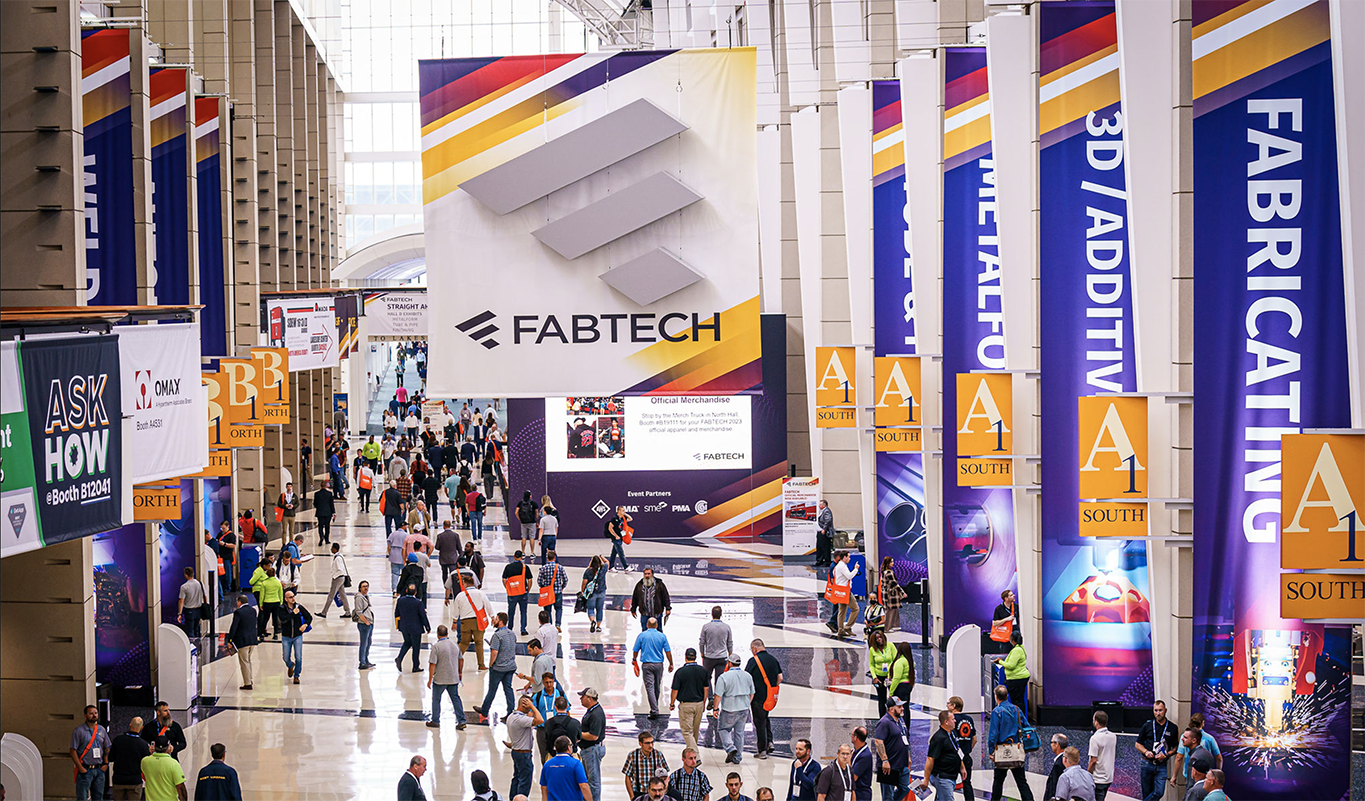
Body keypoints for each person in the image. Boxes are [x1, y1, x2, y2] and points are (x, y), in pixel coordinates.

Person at [986, 685, 1033, 801]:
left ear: (996, 697)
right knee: (1022, 782)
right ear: (1007, 696)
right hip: (1016, 751)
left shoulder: (997, 712)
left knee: (998, 782)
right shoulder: (1017, 709)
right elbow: (1027, 727)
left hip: (1002, 751)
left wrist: (991, 751)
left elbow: (993, 734)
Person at [712, 653, 755, 764]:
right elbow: (752, 693)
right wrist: (746, 704)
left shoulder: (724, 677)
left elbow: (718, 695)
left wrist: (715, 708)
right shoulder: (747, 676)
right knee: (739, 733)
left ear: (729, 663)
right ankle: (737, 758)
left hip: (729, 709)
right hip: (744, 709)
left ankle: (730, 748)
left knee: (723, 729)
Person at [476, 612, 519, 720]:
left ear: (500, 622)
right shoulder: (512, 633)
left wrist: (491, 665)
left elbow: (494, 653)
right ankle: (510, 712)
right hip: (510, 666)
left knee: (492, 690)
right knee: (508, 689)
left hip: (498, 668)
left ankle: (485, 711)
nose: (493, 621)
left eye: (495, 619)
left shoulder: (497, 635)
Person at [426, 624, 468, 730]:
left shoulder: (436, 646)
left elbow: (432, 664)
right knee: (455, 698)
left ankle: (435, 720)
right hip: (453, 678)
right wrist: (460, 673)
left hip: (440, 679)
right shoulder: (454, 645)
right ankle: (461, 720)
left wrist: (430, 679)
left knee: (436, 699)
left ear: (437, 634)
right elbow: (461, 659)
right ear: (447, 633)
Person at [917, 711, 966, 801]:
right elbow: (930, 759)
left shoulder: (952, 733)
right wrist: (926, 779)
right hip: (942, 777)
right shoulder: (938, 738)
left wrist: (962, 767)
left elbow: (957, 750)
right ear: (946, 722)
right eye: (953, 719)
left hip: (951, 776)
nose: (955, 721)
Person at [744, 639, 782, 758]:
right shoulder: (773, 660)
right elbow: (780, 678)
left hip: (757, 696)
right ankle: (769, 742)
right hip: (770, 696)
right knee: (765, 717)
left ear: (755, 648)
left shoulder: (753, 661)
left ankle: (762, 751)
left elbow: (746, 678)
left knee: (759, 722)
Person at [447, 567, 490, 670]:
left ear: (465, 584)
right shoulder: (480, 593)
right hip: (478, 622)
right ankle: (481, 665)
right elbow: (487, 605)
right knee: (479, 642)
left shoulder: (460, 596)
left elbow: (456, 611)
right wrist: (492, 616)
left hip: (465, 622)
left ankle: (454, 661)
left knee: (464, 643)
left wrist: (454, 621)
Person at [632, 617, 674, 719]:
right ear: (656, 625)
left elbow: (636, 649)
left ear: (647, 625)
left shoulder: (642, 636)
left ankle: (654, 710)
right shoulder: (662, 636)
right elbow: (667, 651)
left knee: (649, 687)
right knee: (657, 686)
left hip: (647, 665)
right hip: (659, 664)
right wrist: (671, 663)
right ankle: (654, 707)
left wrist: (634, 659)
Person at [1136, 700, 1178, 801]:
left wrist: (1166, 755)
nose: (1158, 713)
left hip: (1162, 765)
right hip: (1147, 763)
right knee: (1147, 793)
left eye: (1160, 710)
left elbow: (1176, 748)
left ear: (1165, 710)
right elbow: (1137, 744)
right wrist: (1146, 752)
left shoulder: (1173, 728)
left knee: (1159, 792)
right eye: (1155, 710)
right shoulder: (1147, 725)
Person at [670, 648, 711, 752]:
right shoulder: (703, 671)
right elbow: (706, 689)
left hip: (686, 705)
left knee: (687, 731)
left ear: (685, 657)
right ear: (695, 657)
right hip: (699, 704)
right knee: (695, 731)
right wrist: (704, 703)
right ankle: (692, 754)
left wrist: (672, 703)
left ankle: (695, 756)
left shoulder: (680, 672)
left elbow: (675, 690)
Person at [71, 704, 112, 801]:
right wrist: (80, 767)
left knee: (98, 797)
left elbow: (107, 747)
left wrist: (106, 763)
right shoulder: (79, 731)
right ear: (85, 715)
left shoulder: (101, 730)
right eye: (91, 713)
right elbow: (73, 751)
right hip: (85, 769)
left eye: (96, 713)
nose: (94, 715)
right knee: (82, 797)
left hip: (99, 769)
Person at [871, 697, 909, 801]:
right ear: (891, 709)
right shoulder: (884, 722)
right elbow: (879, 742)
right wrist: (885, 760)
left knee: (905, 788)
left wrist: (908, 756)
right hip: (889, 766)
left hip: (902, 764)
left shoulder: (900, 720)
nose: (902, 708)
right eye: (899, 707)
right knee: (888, 796)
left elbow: (905, 738)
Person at [506, 696, 543, 798]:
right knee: (524, 781)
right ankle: (521, 799)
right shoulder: (520, 719)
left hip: (516, 751)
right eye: (529, 706)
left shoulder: (511, 717)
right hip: (524, 754)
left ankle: (513, 798)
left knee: (517, 778)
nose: (530, 708)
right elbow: (540, 720)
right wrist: (533, 707)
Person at [528, 663, 566, 762]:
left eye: (550, 682)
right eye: (546, 682)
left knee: (558, 755)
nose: (549, 685)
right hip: (542, 730)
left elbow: (567, 710)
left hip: (557, 729)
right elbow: (532, 712)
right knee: (544, 756)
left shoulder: (560, 694)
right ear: (543, 683)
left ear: (554, 681)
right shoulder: (538, 696)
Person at [108, 716, 150, 801]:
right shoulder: (143, 744)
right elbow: (145, 764)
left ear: (130, 725)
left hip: (118, 779)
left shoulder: (117, 740)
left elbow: (110, 758)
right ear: (141, 728)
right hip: (134, 780)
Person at [578, 687, 608, 801]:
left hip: (592, 750)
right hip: (589, 750)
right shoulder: (592, 710)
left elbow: (593, 736)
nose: (581, 699)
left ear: (590, 698)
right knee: (587, 779)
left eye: (583, 697)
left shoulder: (596, 714)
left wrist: (578, 734)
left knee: (593, 782)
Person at [1171, 727, 1220, 795]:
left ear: (1194, 740)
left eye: (1185, 737)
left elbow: (1190, 785)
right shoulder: (1206, 753)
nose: (1182, 738)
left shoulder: (1194, 758)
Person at [277, 589, 312, 684]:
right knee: (285, 657)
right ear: (286, 599)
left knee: (299, 657)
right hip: (286, 636)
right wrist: (293, 614)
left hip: (297, 636)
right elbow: (283, 619)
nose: (293, 599)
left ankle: (296, 675)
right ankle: (290, 665)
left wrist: (305, 625)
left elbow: (309, 617)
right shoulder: (281, 608)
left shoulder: (298, 606)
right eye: (290, 597)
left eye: (293, 596)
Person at [543, 735, 592, 801]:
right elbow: (583, 785)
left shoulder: (547, 765)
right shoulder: (576, 764)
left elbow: (544, 788)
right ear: (569, 748)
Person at [622, 732, 670, 799]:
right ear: (640, 744)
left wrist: (663, 792)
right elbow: (627, 777)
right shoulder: (633, 755)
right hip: (639, 793)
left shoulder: (658, 754)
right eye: (647, 743)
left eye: (652, 742)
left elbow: (665, 776)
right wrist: (632, 796)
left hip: (655, 793)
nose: (650, 745)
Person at [394, 583, 429, 673]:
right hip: (415, 628)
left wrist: (399, 624)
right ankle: (415, 666)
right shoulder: (418, 603)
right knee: (416, 647)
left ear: (406, 591)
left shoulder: (400, 600)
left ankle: (399, 658)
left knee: (407, 642)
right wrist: (427, 626)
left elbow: (396, 613)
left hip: (404, 626)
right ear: (415, 592)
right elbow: (422, 616)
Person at [226, 595, 259, 690]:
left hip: (242, 640)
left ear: (239, 602)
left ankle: (247, 683)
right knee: (248, 660)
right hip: (252, 639)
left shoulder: (238, 612)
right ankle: (250, 678)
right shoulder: (253, 610)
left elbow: (234, 627)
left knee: (244, 661)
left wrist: (230, 640)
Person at [826, 550, 859, 638]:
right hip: (845, 591)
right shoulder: (842, 566)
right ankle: (847, 627)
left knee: (842, 610)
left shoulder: (837, 566)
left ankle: (840, 630)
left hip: (839, 590)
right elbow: (849, 576)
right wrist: (856, 569)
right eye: (848, 556)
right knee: (855, 609)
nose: (849, 558)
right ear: (844, 557)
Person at [997, 630, 1029, 718]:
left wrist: (1000, 662)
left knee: (1017, 701)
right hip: (1018, 678)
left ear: (1012, 640)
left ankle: (1019, 720)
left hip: (1016, 679)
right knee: (1019, 700)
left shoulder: (1017, 650)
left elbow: (1011, 665)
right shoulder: (1020, 648)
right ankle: (1020, 719)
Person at [1088, 709, 1117, 801]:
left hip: (1098, 779)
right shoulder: (1113, 736)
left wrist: (1087, 774)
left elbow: (1093, 760)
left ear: (1096, 722)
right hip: (1108, 777)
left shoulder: (1095, 738)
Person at [699, 606, 733, 682]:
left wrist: (702, 653)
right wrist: (730, 654)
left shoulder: (706, 627)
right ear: (721, 614)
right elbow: (729, 642)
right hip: (722, 656)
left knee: (706, 678)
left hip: (709, 657)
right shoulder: (727, 627)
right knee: (720, 680)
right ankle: (718, 693)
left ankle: (709, 693)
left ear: (712, 614)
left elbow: (702, 642)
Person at [319, 542, 352, 619]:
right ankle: (347, 612)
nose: (330, 549)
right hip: (341, 578)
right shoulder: (340, 556)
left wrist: (334, 576)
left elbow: (340, 569)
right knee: (343, 595)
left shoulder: (337, 558)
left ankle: (324, 612)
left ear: (334, 549)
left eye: (332, 548)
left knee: (331, 595)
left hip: (338, 578)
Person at [867, 630, 896, 716]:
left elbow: (895, 660)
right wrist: (874, 677)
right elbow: (871, 665)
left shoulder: (890, 646)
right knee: (881, 699)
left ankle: (894, 717)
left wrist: (891, 673)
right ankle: (882, 719)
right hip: (879, 677)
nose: (879, 639)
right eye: (877, 638)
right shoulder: (872, 650)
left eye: (880, 637)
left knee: (893, 698)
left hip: (890, 676)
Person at [503, 550, 533, 635]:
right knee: (523, 611)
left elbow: (504, 579)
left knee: (511, 611)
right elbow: (530, 579)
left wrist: (507, 588)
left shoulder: (508, 567)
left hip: (512, 593)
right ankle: (523, 629)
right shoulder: (525, 567)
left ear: (514, 556)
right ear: (521, 557)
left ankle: (510, 628)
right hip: (523, 592)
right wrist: (528, 590)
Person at [539, 550, 569, 628]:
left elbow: (539, 580)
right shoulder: (559, 567)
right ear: (554, 558)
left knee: (547, 610)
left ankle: (549, 625)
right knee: (558, 608)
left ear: (547, 558)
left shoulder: (543, 568)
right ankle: (558, 624)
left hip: (548, 592)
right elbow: (565, 579)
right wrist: (562, 587)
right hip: (557, 592)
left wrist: (543, 587)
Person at [253, 566, 283, 640]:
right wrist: (281, 602)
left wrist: (261, 604)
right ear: (274, 573)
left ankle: (262, 633)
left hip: (267, 602)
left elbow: (262, 595)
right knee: (275, 618)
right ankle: (275, 634)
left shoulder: (264, 583)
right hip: (276, 602)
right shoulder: (278, 583)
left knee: (265, 618)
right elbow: (280, 593)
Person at [176, 567, 207, 638]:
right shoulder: (200, 584)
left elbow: (181, 601)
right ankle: (199, 646)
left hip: (189, 611)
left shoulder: (184, 587)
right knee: (196, 629)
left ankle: (194, 646)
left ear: (186, 575)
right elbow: (205, 596)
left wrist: (179, 614)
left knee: (190, 630)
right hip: (199, 610)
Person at [875, 558, 905, 632]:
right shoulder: (888, 572)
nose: (893, 563)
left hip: (890, 593)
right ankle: (887, 627)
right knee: (890, 610)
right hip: (890, 594)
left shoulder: (886, 572)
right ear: (887, 563)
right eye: (891, 561)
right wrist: (902, 592)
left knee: (894, 609)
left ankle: (894, 625)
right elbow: (894, 583)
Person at [581, 554, 608, 633]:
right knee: (600, 609)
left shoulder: (588, 571)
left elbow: (584, 582)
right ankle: (599, 626)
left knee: (590, 608)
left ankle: (593, 621)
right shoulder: (603, 568)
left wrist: (583, 591)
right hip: (601, 591)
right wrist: (602, 556)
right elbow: (607, 562)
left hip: (591, 593)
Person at [352, 580, 376, 669]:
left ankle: (365, 660)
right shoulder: (359, 597)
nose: (366, 588)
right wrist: (366, 622)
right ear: (360, 588)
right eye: (364, 586)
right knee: (364, 643)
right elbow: (359, 611)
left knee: (368, 642)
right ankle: (362, 662)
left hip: (369, 623)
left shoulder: (365, 596)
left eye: (367, 586)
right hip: (364, 624)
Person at [991, 589, 1019, 655]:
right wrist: (1006, 619)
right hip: (1005, 635)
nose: (1014, 596)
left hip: (1015, 633)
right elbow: (994, 623)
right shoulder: (999, 608)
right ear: (1006, 598)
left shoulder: (1016, 607)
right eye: (1011, 595)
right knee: (1005, 653)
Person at [849, 728, 874, 801]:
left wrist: (849, 761)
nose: (851, 736)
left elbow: (853, 777)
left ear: (855, 738)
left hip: (861, 795)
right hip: (856, 792)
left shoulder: (864, 756)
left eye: (852, 735)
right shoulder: (856, 751)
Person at [435, 520, 463, 585]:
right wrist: (460, 557)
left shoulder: (440, 536)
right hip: (453, 559)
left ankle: (446, 586)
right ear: (450, 525)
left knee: (444, 574)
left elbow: (437, 547)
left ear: (444, 526)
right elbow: (459, 548)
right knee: (453, 574)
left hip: (443, 559)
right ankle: (453, 586)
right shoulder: (455, 535)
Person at [605, 507, 632, 571]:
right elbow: (610, 528)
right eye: (622, 510)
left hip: (620, 537)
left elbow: (630, 519)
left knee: (614, 553)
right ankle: (626, 567)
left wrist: (625, 514)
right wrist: (615, 535)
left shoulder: (622, 518)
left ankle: (610, 567)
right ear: (619, 511)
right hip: (616, 538)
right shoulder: (614, 519)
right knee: (620, 552)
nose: (624, 511)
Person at [1043, 733, 1069, 801]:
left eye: (1052, 742)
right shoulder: (1065, 760)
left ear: (1057, 744)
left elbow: (1053, 786)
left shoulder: (1059, 764)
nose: (1051, 745)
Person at [314, 479, 337, 544]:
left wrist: (319, 507)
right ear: (326, 486)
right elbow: (331, 504)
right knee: (327, 526)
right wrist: (334, 512)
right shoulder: (329, 494)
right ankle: (327, 539)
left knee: (320, 526)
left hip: (320, 512)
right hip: (328, 512)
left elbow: (315, 503)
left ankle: (321, 537)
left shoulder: (317, 494)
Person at [815, 500, 833, 566]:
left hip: (825, 532)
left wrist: (824, 529)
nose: (819, 506)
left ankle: (826, 561)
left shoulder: (827, 511)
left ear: (824, 505)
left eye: (820, 505)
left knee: (825, 547)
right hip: (821, 531)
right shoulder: (823, 511)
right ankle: (820, 560)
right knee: (820, 546)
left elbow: (828, 521)